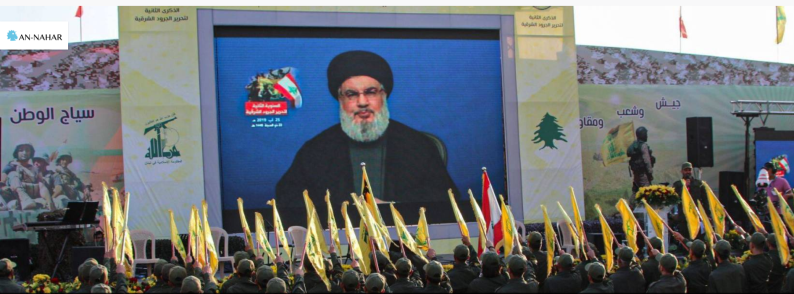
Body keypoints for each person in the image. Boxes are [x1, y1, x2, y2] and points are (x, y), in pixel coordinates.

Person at [276, 50, 459, 216]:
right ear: (340, 99)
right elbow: (289, 204)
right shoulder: (315, 151)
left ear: (384, 95)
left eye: (371, 92)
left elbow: (446, 205)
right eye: (351, 94)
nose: (362, 102)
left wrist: (393, 209)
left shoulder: (418, 146)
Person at [1, 144, 51, 210]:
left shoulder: (35, 170)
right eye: (21, 150)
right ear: (16, 153)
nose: (24, 153)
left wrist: (50, 203)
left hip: (33, 198)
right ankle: (24, 199)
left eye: (27, 150)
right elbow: (2, 183)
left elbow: (42, 187)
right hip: (15, 198)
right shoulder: (11, 167)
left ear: (31, 153)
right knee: (13, 174)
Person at [672, 162, 709, 239]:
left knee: (697, 237)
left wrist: (707, 215)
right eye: (686, 170)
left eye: (689, 170)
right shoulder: (677, 184)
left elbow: (705, 200)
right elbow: (675, 199)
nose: (688, 172)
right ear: (682, 171)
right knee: (684, 237)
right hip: (683, 216)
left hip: (696, 215)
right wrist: (685, 187)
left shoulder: (699, 183)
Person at [627, 126, 654, 193]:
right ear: (642, 135)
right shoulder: (643, 145)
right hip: (643, 174)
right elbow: (647, 161)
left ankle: (632, 203)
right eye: (645, 134)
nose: (646, 136)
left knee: (636, 191)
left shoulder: (634, 145)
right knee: (647, 192)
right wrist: (650, 174)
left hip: (636, 173)